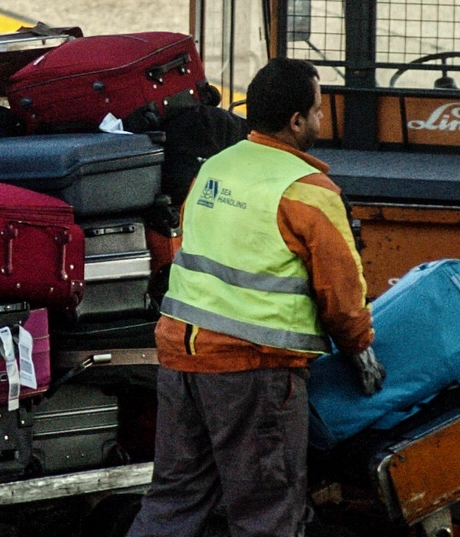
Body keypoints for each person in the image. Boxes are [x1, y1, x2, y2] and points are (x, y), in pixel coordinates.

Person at [126, 58, 385, 537]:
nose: (321, 120)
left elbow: (188, 252)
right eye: (318, 111)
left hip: (181, 361)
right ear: (296, 121)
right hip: (253, 373)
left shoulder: (215, 169)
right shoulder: (308, 192)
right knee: (267, 513)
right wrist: (360, 347)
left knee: (174, 501)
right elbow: (342, 294)